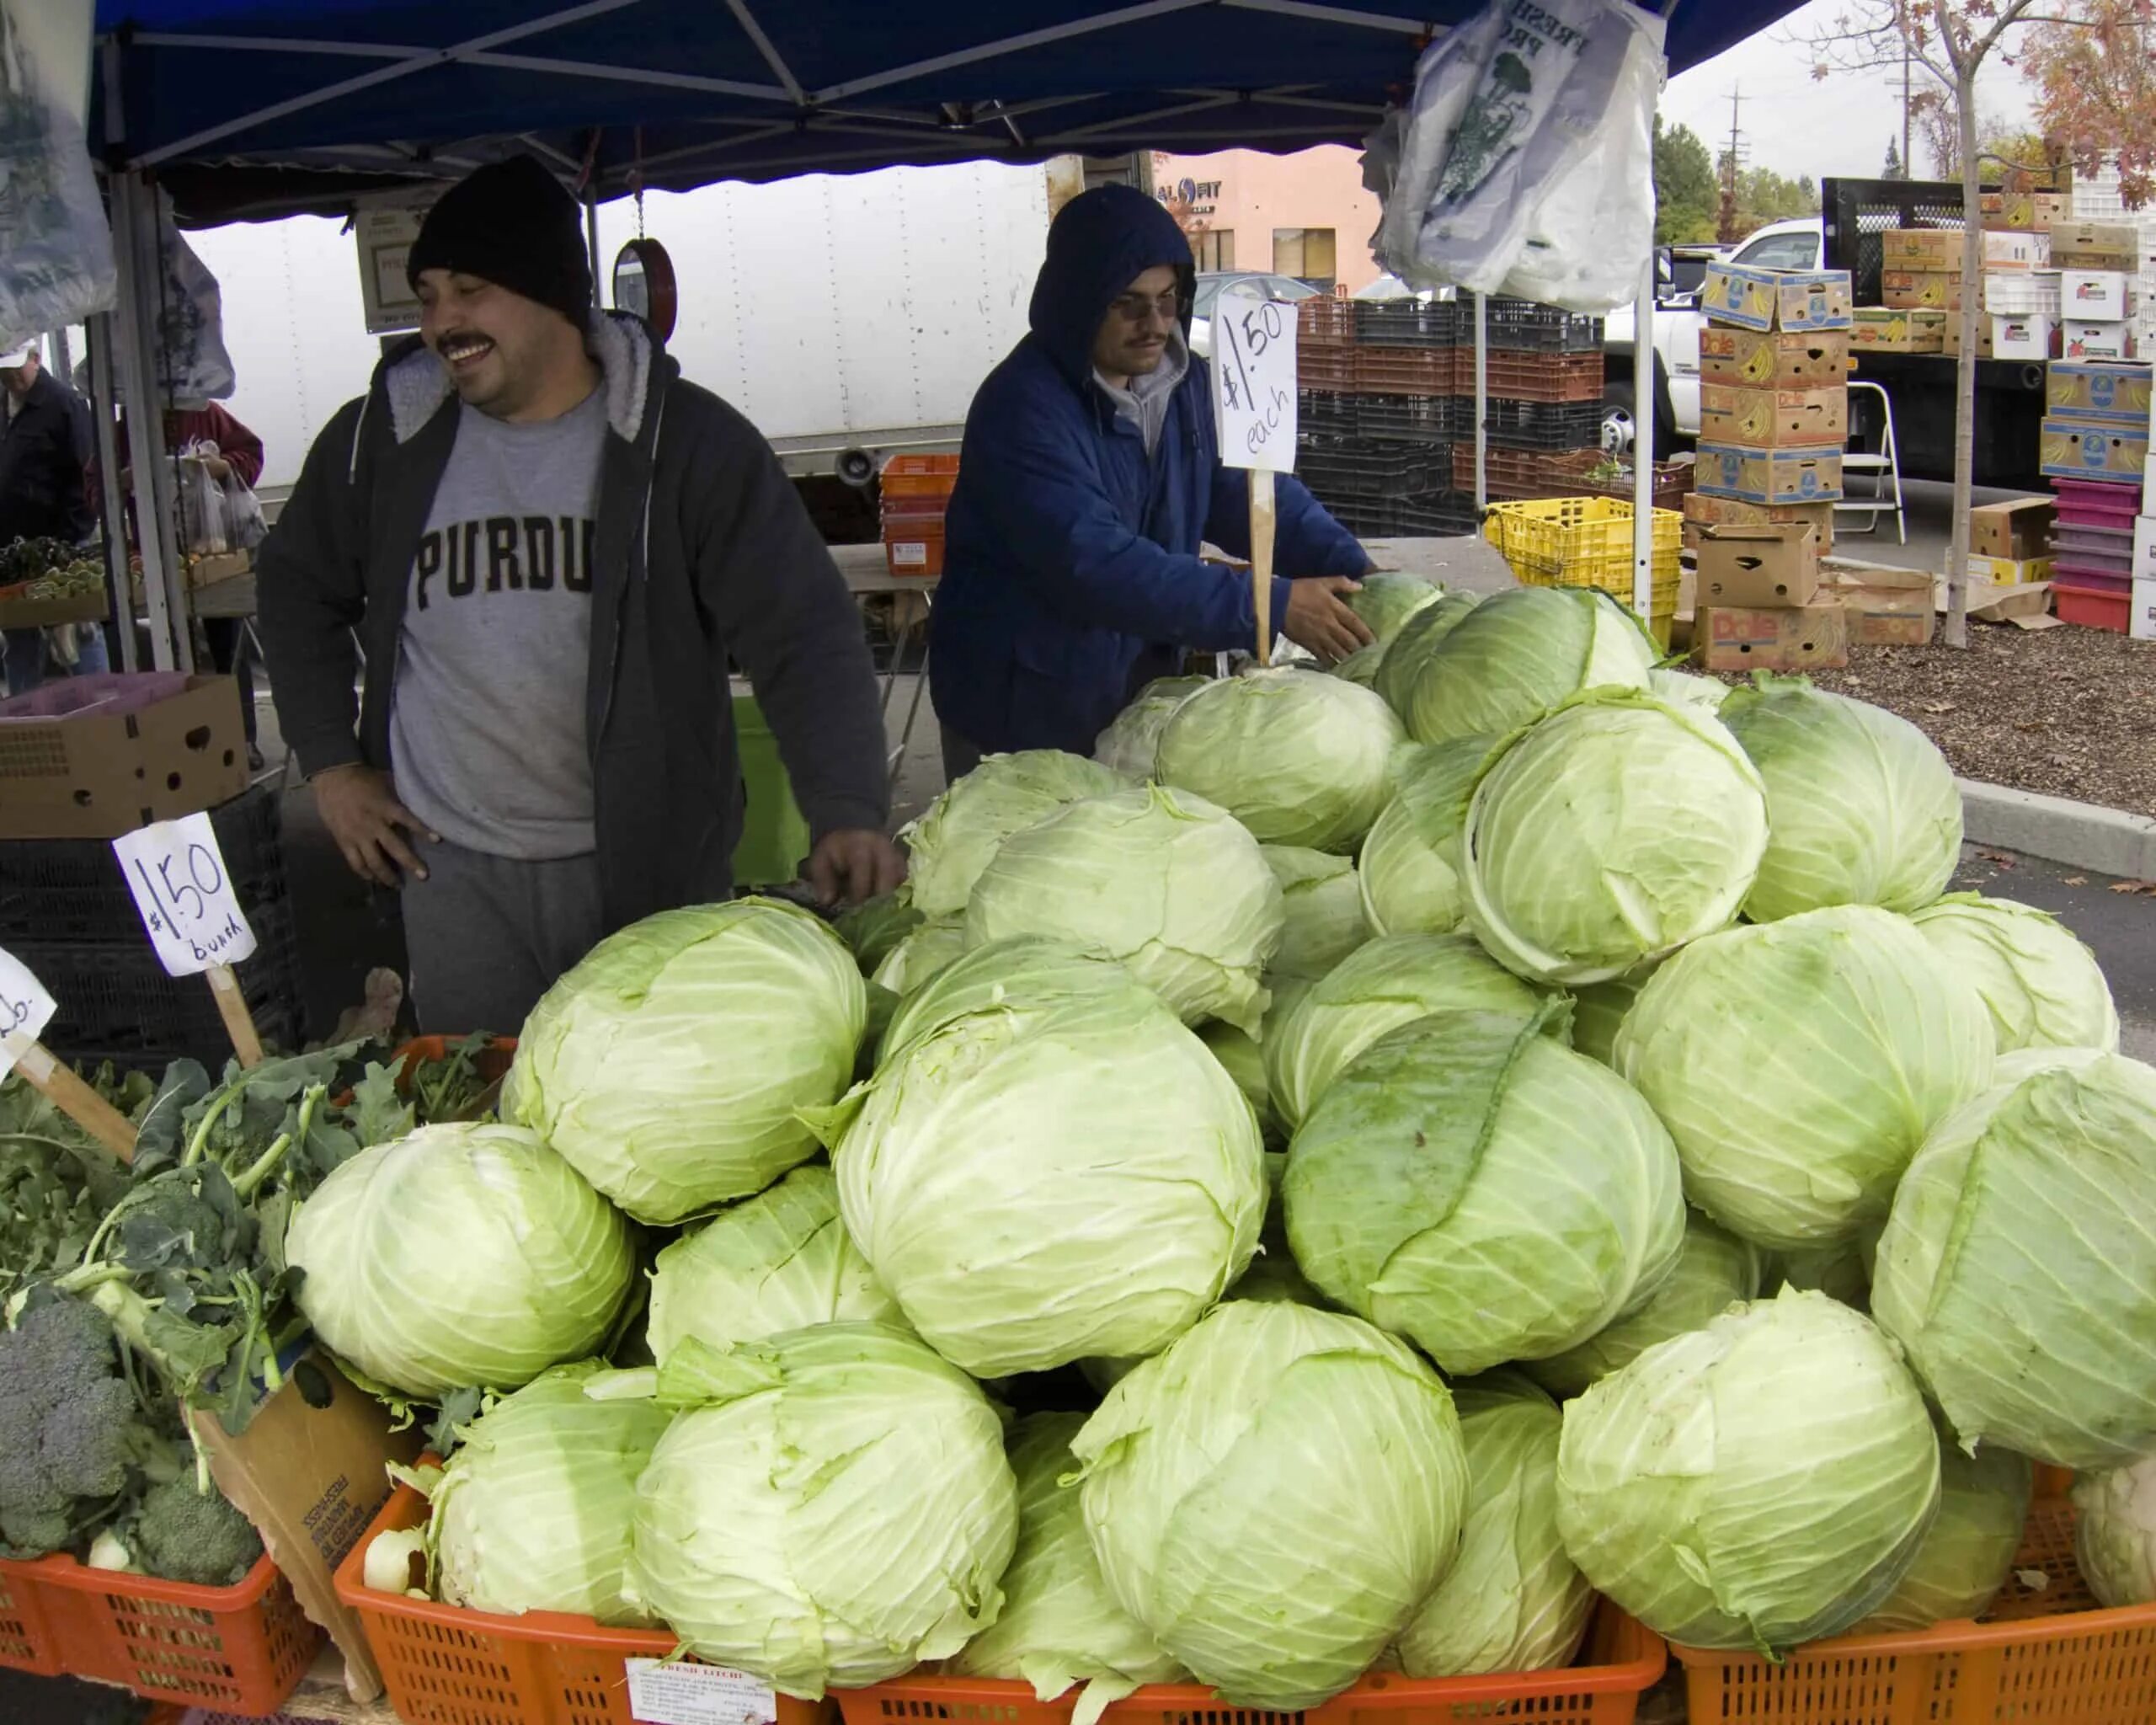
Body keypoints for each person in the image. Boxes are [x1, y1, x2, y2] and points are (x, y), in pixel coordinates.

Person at [257, 155, 902, 1034]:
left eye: (470, 290)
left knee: (652, 1122)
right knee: (482, 1120)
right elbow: (293, 585)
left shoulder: (686, 444)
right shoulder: (383, 437)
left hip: (645, 871)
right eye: (430, 294)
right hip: (452, 873)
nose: (442, 321)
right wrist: (332, 765)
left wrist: (847, 805)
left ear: (551, 295)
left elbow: (804, 631)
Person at [929, 184, 1375, 772]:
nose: (1155, 324)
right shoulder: (1022, 408)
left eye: (1168, 300)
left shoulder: (1186, 385)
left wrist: (1355, 571)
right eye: (1128, 304)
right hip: (1021, 707)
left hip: (1129, 689)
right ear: (1077, 303)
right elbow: (1093, 564)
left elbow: (1245, 491)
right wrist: (1265, 606)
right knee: (1030, 855)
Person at [87, 372, 268, 766]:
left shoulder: (208, 415)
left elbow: (251, 454)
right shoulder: (123, 433)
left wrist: (216, 467)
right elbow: (95, 491)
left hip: (215, 552)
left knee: (227, 650)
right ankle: (183, 743)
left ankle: (242, 738)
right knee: (169, 656)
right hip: (152, 559)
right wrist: (123, 480)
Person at [0, 342, 104, 693]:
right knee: (20, 639)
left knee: (78, 631)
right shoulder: (3, 403)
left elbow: (86, 475)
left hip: (61, 546)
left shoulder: (64, 405)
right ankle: (24, 720)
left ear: (35, 358)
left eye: (15, 366)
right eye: (1, 368)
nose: (9, 375)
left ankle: (101, 710)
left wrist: (68, 543)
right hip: (14, 552)